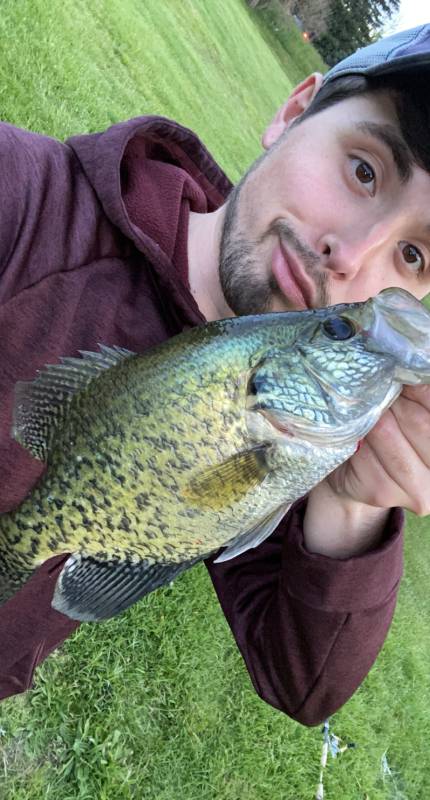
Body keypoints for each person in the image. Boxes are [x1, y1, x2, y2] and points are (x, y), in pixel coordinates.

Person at [1, 24, 430, 726]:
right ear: (294, 112)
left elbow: (301, 682)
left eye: (414, 257)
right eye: (365, 171)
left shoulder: (303, 453)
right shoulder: (26, 198)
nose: (350, 255)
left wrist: (354, 503)